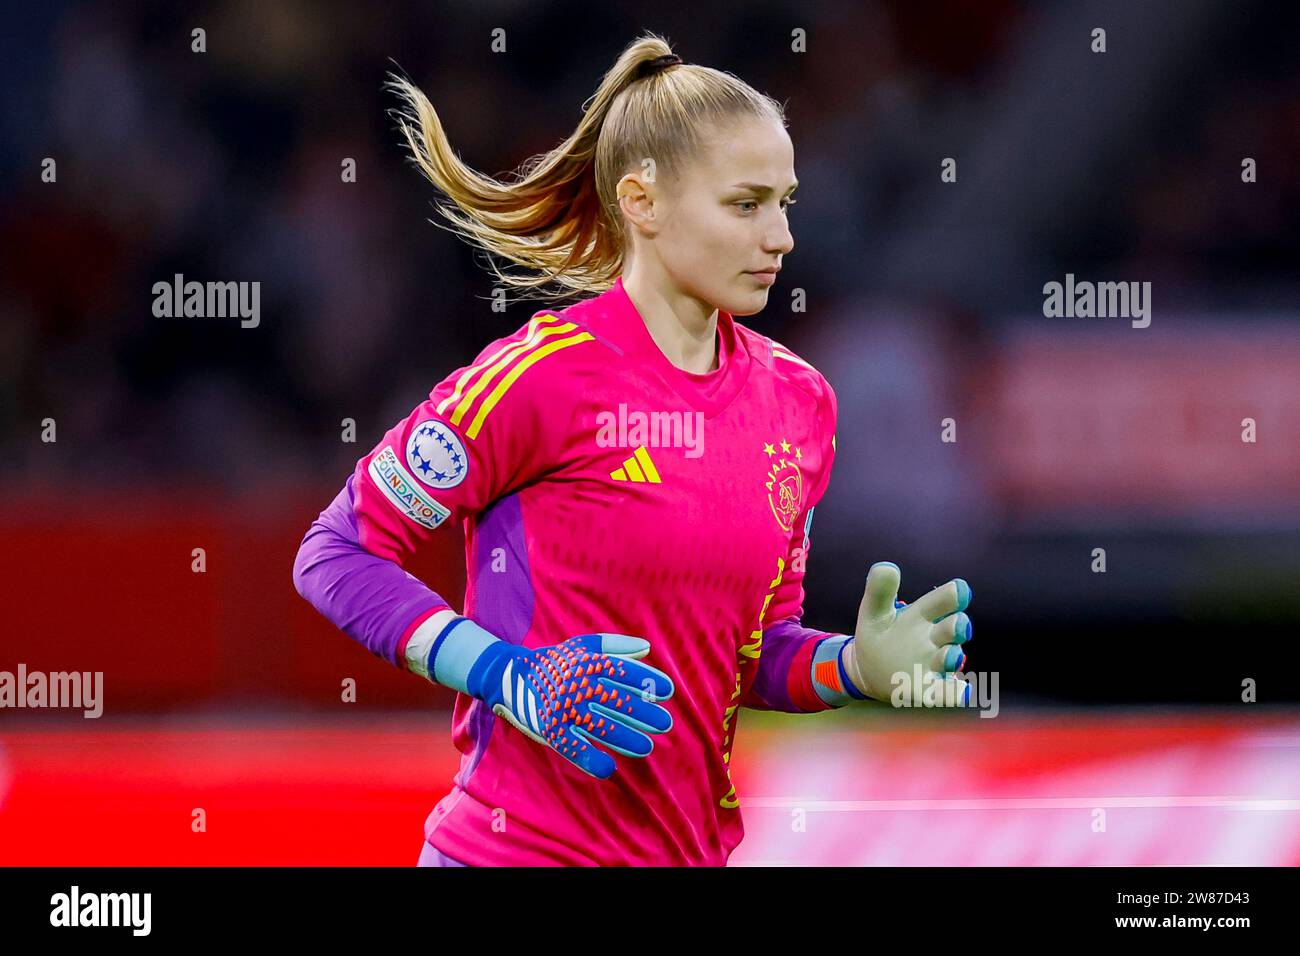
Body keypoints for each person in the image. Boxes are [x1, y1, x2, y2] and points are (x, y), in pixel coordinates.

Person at [292, 33, 974, 867]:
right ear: (643, 202)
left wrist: (851, 668)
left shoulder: (800, 404)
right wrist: (509, 674)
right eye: (745, 204)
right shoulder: (539, 378)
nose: (782, 238)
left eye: (786, 202)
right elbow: (336, 552)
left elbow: (753, 655)